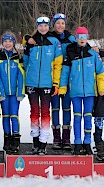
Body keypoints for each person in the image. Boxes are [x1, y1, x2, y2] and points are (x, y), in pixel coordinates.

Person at [59, 27, 104, 155]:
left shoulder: (93, 54)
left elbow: (100, 73)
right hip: (75, 91)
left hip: (90, 92)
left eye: (84, 36)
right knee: (77, 117)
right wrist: (62, 87)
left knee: (88, 117)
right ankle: (78, 142)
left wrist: (101, 88)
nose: (81, 39)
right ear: (75, 38)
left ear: (87, 38)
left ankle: (87, 142)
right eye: (79, 36)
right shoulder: (71, 53)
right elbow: (65, 73)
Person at [23, 16, 63, 155]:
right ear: (37, 26)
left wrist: (55, 83)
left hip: (47, 83)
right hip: (32, 83)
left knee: (45, 113)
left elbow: (58, 65)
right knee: (34, 112)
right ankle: (35, 142)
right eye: (40, 26)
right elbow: (25, 62)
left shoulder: (54, 42)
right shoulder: (31, 42)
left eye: (46, 25)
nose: (43, 28)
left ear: (48, 26)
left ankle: (43, 143)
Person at [0, 32, 25, 154]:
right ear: (2, 43)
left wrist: (20, 92)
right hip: (4, 94)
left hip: (15, 93)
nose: (7, 43)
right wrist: (0, 92)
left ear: (14, 43)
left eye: (10, 41)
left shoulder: (17, 57)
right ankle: (7, 139)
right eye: (5, 41)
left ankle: (16, 139)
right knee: (6, 116)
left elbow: (21, 75)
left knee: (14, 115)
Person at [50, 13, 76, 150]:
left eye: (63, 23)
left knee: (66, 107)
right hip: (53, 78)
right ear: (53, 24)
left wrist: (95, 50)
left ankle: (66, 137)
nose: (60, 25)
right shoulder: (49, 37)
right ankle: (56, 137)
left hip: (67, 78)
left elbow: (82, 47)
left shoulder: (70, 38)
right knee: (55, 108)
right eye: (58, 23)